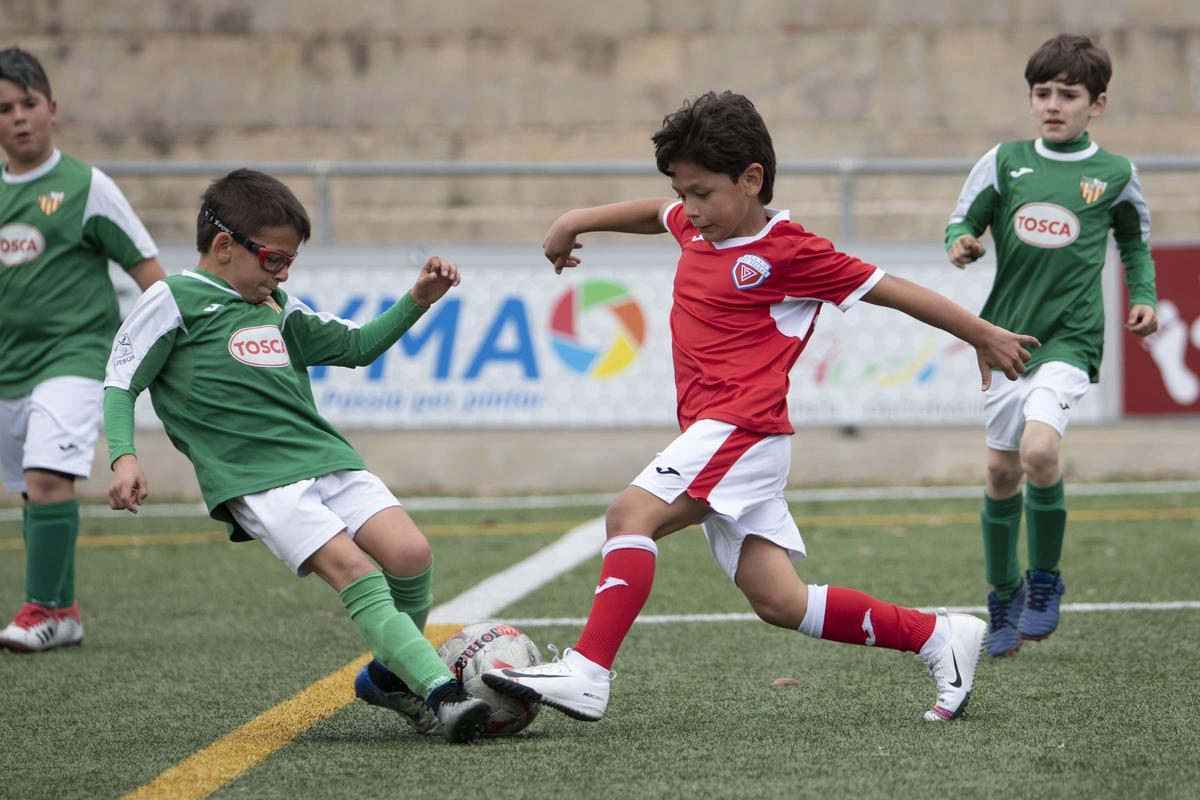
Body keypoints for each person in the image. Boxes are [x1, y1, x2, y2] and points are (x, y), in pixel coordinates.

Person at [483, 91, 1040, 723]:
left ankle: (587, 670)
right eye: (683, 192)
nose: (688, 210)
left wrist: (981, 333)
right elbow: (653, 213)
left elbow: (894, 290)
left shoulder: (789, 252)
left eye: (702, 193)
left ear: (751, 180)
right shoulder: (697, 223)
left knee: (628, 516)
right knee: (780, 601)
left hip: (740, 427)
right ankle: (937, 636)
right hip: (728, 436)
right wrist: (575, 218)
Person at [104, 169, 490, 743]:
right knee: (355, 572)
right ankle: (441, 692)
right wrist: (123, 457)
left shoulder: (279, 305)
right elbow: (120, 379)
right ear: (225, 246)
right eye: (275, 259)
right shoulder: (173, 299)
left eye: (289, 262)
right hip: (256, 480)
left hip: (324, 456)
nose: (282, 272)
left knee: (411, 553)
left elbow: (357, 347)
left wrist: (417, 301)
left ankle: (390, 678)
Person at [944, 34, 1157, 657]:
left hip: (1071, 336)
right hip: (1005, 338)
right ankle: (1003, 590)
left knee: (1040, 452)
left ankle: (1044, 582)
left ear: (1099, 102)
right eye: (1043, 93)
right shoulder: (1006, 161)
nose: (1053, 105)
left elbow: (1136, 242)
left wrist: (1142, 293)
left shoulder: (1115, 173)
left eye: (1069, 94)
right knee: (1000, 470)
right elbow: (963, 219)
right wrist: (961, 242)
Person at [0, 47, 166, 652]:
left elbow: (150, 272)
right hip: (8, 368)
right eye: (3, 108)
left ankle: (41, 608)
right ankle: (63, 612)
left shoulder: (87, 186)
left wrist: (178, 340)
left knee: (47, 477)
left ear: (52, 110)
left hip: (74, 355)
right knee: (32, 489)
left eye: (28, 104)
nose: (17, 117)